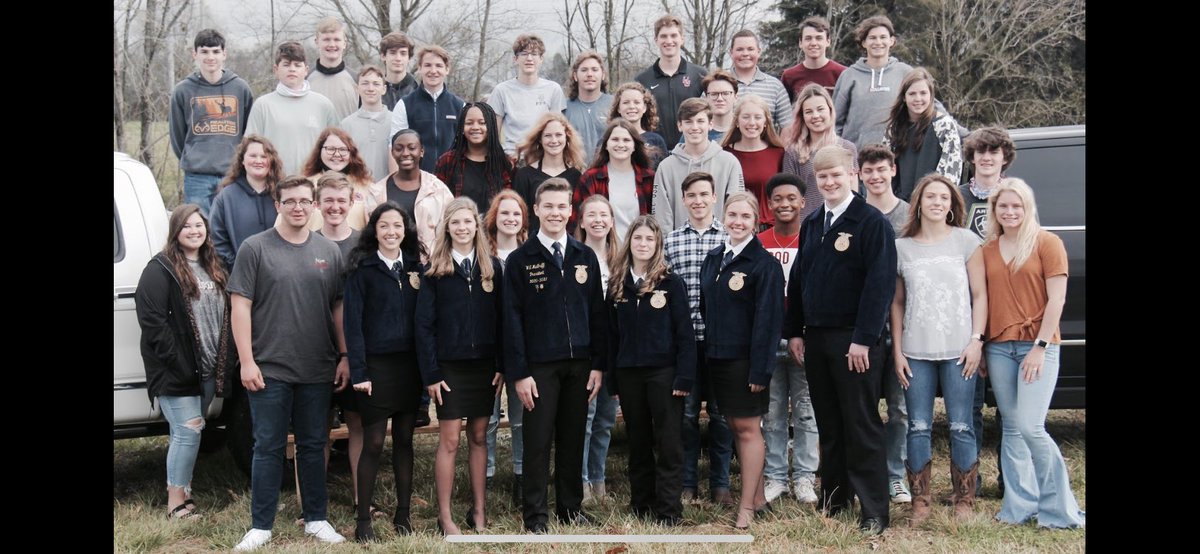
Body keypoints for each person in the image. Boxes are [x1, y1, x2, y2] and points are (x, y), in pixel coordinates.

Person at [230, 176, 349, 550]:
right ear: (276, 204)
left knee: (314, 445)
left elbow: (338, 308)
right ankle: (261, 525)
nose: (298, 207)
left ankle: (316, 518)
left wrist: (344, 355)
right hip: (269, 368)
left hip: (317, 367)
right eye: (290, 201)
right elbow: (240, 307)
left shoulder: (329, 251)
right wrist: (246, 361)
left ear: (314, 205)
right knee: (267, 446)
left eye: (304, 201)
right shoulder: (255, 249)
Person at [784, 145, 897, 536]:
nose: (829, 182)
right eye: (822, 177)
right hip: (817, 339)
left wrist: (864, 339)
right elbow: (799, 280)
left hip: (855, 342)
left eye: (836, 174)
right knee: (828, 422)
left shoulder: (870, 222)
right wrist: (795, 332)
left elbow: (879, 286)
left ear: (852, 174)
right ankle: (835, 498)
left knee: (860, 424)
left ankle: (874, 510)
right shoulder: (813, 222)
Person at [503, 178, 607, 533]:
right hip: (539, 368)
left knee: (573, 437)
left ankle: (569, 508)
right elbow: (511, 320)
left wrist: (598, 365)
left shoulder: (584, 256)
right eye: (548, 206)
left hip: (580, 365)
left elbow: (597, 313)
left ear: (571, 211)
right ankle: (535, 515)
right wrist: (519, 372)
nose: (555, 213)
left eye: (562, 206)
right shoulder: (520, 260)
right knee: (537, 441)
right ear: (536, 209)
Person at [981, 178, 1085, 529]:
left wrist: (1040, 347)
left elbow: (1057, 299)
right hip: (999, 347)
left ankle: (1059, 510)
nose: (1010, 212)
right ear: (994, 209)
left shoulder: (1047, 243)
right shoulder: (988, 249)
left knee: (1031, 426)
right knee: (1011, 427)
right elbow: (984, 300)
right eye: (1003, 206)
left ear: (1028, 208)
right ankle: (1019, 507)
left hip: (1038, 346)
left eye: (1017, 206)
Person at [890, 174, 986, 524]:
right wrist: (897, 351)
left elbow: (980, 295)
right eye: (930, 196)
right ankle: (921, 502)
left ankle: (964, 500)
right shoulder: (903, 248)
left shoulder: (966, 241)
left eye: (943, 197)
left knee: (961, 425)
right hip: (916, 350)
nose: (937, 202)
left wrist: (977, 340)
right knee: (917, 425)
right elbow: (897, 303)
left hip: (960, 348)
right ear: (919, 202)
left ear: (952, 204)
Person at [136, 204, 236, 519]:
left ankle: (185, 491)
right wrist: (177, 363)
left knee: (193, 429)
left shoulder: (214, 266)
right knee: (188, 429)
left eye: (199, 225)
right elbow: (152, 321)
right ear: (176, 232)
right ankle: (175, 502)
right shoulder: (160, 268)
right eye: (187, 226)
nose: (194, 231)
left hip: (208, 368)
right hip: (177, 368)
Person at [417, 198, 505, 535]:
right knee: (450, 440)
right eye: (456, 223)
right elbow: (423, 327)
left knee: (480, 436)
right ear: (447, 227)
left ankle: (479, 511)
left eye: (468, 222)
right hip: (449, 369)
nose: (463, 228)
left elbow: (502, 321)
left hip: (484, 366)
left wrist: (501, 363)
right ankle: (445, 516)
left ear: (477, 226)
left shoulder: (493, 268)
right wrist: (432, 374)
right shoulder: (435, 271)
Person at [699, 191, 784, 529]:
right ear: (724, 217)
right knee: (734, 426)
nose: (737, 222)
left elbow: (769, 322)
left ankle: (746, 507)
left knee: (748, 430)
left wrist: (760, 369)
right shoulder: (714, 257)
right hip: (718, 357)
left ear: (755, 221)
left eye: (745, 217)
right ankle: (759, 496)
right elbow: (707, 306)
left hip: (747, 362)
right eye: (732, 215)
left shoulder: (763, 265)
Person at [344, 202, 428, 541]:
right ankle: (363, 521)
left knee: (405, 441)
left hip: (410, 368)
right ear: (374, 230)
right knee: (375, 442)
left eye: (397, 225)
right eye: (384, 226)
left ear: (405, 229)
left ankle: (403, 516)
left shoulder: (416, 269)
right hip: (375, 369)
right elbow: (353, 326)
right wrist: (360, 371)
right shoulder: (362, 270)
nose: (391, 232)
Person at [606, 215, 695, 524]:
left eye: (649, 240)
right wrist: (612, 380)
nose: (643, 244)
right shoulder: (618, 284)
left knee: (669, 441)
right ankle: (642, 504)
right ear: (629, 242)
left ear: (657, 245)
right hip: (629, 373)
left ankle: (669, 510)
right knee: (638, 439)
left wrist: (684, 375)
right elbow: (611, 336)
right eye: (638, 238)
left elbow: (685, 333)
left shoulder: (670, 282)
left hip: (664, 374)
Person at [663, 171, 734, 506]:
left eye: (704, 194)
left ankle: (720, 485)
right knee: (687, 417)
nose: (698, 201)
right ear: (684, 199)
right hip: (686, 343)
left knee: (720, 417)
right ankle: (688, 483)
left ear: (714, 197)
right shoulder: (672, 241)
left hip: (721, 342)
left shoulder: (729, 239)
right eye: (692, 195)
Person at [755, 173, 820, 505]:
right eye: (777, 198)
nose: (784, 204)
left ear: (803, 202)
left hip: (803, 339)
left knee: (807, 412)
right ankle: (777, 476)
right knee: (774, 411)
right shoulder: (760, 242)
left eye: (791, 198)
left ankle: (806, 477)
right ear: (769, 204)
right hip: (769, 340)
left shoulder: (812, 240)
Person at [857, 144, 913, 503]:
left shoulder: (909, 215)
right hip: (864, 329)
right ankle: (866, 475)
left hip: (905, 329)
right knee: (862, 409)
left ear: (893, 170)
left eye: (882, 169)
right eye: (869, 171)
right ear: (859, 175)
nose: (876, 177)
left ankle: (896, 475)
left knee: (899, 409)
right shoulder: (856, 214)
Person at [169, 29, 255, 215]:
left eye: (216, 51)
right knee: (200, 228)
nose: (211, 57)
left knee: (231, 226)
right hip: (197, 177)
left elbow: (248, 132)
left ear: (224, 54)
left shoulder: (240, 88)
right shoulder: (183, 90)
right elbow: (177, 136)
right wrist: (193, 157)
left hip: (232, 175)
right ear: (195, 54)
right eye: (205, 52)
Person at [482, 190, 530, 506]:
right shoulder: (483, 256)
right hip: (486, 351)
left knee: (520, 418)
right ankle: (483, 477)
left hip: (520, 350)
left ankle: (521, 479)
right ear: (494, 219)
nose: (510, 219)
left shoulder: (529, 256)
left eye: (516, 214)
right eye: (505, 214)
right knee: (486, 420)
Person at [574, 194, 621, 502]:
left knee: (605, 419)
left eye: (603, 215)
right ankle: (581, 483)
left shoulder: (621, 259)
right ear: (581, 221)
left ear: (612, 221)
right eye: (591, 215)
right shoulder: (573, 256)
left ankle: (599, 480)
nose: (598, 220)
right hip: (586, 352)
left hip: (614, 351)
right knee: (585, 419)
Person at [245, 41, 339, 174]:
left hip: (313, 184)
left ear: (306, 70)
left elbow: (337, 149)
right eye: (286, 64)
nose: (292, 69)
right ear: (276, 69)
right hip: (274, 184)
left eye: (297, 65)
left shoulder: (324, 105)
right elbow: (250, 149)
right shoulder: (262, 105)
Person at [653, 98, 745, 231]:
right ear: (680, 125)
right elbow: (661, 216)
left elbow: (737, 207)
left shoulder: (729, 162)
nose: (694, 127)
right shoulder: (666, 167)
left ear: (710, 124)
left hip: (721, 246)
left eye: (700, 121)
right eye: (688, 122)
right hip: (679, 247)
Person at [832, 15, 913, 150]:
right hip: (856, 156)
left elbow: (930, 106)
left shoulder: (905, 72)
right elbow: (834, 120)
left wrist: (961, 133)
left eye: (883, 37)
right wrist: (839, 150)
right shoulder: (849, 75)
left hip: (896, 155)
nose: (878, 42)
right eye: (872, 38)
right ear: (864, 42)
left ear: (892, 41)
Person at [367, 129, 455, 254]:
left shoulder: (438, 190)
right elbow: (370, 235)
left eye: (412, 148)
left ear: (422, 151)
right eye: (399, 148)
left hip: (429, 266)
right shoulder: (377, 192)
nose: (405, 153)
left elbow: (448, 233)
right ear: (392, 153)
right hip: (388, 265)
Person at [883, 68, 963, 202]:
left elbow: (950, 174)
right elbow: (885, 168)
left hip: (934, 203)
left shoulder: (944, 126)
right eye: (912, 94)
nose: (918, 99)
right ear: (904, 96)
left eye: (923, 93)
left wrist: (934, 200)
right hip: (901, 204)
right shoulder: (894, 128)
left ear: (931, 96)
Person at [783, 83, 858, 222]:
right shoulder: (793, 152)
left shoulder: (847, 148)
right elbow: (791, 197)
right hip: (807, 224)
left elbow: (854, 194)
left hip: (843, 224)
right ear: (802, 116)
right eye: (809, 111)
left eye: (820, 109)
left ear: (830, 110)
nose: (815, 116)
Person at [210, 135, 285, 270]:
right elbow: (217, 239)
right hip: (239, 277)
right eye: (253, 156)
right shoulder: (226, 197)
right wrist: (237, 267)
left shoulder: (283, 195)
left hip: (280, 275)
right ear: (242, 160)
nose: (258, 161)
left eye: (264, 156)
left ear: (272, 160)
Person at [489, 34, 568, 158]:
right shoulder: (502, 90)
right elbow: (493, 134)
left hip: (543, 159)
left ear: (541, 58)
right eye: (524, 54)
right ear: (515, 59)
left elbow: (557, 130)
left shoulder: (553, 89)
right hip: (511, 158)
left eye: (534, 54)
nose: (529, 58)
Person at [575, 121, 656, 240]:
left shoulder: (649, 178)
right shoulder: (590, 178)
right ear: (606, 145)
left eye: (626, 140)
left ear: (634, 146)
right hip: (603, 251)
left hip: (638, 251)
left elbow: (655, 220)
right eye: (615, 139)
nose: (620, 144)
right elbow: (577, 221)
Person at [636, 14, 708, 146]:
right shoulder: (642, 80)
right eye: (663, 36)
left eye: (674, 35)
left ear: (682, 39)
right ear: (656, 40)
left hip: (692, 151)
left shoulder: (700, 75)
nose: (669, 40)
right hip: (655, 151)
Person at [391, 45, 466, 172]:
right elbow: (395, 146)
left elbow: (466, 147)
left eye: (439, 66)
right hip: (415, 178)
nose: (433, 70)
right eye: (427, 65)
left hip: (451, 179)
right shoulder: (404, 105)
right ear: (420, 68)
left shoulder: (459, 106)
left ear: (447, 69)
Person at [513, 112, 586, 235]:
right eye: (548, 135)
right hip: (533, 246)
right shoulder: (525, 175)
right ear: (540, 140)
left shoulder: (576, 176)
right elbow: (520, 217)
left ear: (566, 138)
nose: (554, 140)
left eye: (558, 135)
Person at [435, 102, 515, 212]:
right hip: (459, 227)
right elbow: (438, 202)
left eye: (482, 123)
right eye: (469, 123)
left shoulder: (504, 163)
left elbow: (511, 204)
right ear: (462, 128)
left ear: (491, 127)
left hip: (494, 227)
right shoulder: (447, 161)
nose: (475, 127)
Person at [721, 95, 785, 228]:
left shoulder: (778, 153)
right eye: (746, 117)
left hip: (769, 227)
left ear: (766, 122)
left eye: (758, 117)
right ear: (737, 121)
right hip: (735, 226)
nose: (751, 122)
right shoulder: (724, 154)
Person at [301, 128, 375, 230]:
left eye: (343, 150)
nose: (336, 154)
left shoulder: (367, 187)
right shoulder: (304, 186)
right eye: (330, 149)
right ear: (319, 151)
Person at [727, 30, 793, 131]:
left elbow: (788, 127)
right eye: (740, 49)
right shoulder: (717, 84)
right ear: (731, 52)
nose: (745, 54)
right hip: (724, 146)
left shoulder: (775, 86)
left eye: (750, 49)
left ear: (759, 52)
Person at [960, 126, 1016, 240]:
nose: (986, 158)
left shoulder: (1017, 195)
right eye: (980, 152)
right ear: (972, 157)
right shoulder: (955, 196)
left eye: (994, 152)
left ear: (1004, 158)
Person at [341, 65, 393, 185]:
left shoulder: (395, 121)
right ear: (356, 88)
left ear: (384, 89)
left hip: (387, 191)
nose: (370, 88)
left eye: (376, 84)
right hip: (357, 191)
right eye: (365, 83)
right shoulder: (346, 125)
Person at [564, 51, 613, 166]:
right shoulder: (564, 108)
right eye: (584, 70)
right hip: (575, 174)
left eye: (595, 70)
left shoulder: (615, 104)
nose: (589, 74)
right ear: (575, 76)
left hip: (608, 173)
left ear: (603, 75)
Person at [781, 16, 846, 101]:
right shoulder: (789, 76)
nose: (813, 43)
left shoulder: (843, 74)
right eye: (808, 38)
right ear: (800, 43)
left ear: (828, 41)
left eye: (819, 38)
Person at [308, 16, 359, 120]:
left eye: (336, 39)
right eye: (326, 39)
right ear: (317, 42)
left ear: (344, 43)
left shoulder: (357, 80)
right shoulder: (305, 80)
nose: (332, 44)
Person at [609, 82, 670, 167]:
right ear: (618, 108)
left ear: (644, 107)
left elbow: (665, 173)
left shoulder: (656, 140)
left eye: (637, 102)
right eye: (626, 102)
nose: (631, 106)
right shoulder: (608, 140)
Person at [379, 32, 418, 110]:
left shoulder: (418, 91)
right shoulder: (374, 90)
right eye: (393, 53)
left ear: (409, 58)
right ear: (383, 56)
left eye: (403, 53)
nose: (398, 58)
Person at [697, 70, 739, 141]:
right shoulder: (695, 130)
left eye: (726, 93)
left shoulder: (745, 130)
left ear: (735, 97)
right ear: (706, 98)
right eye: (714, 94)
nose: (719, 99)